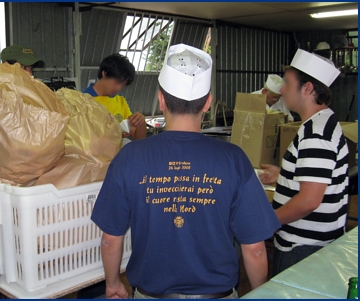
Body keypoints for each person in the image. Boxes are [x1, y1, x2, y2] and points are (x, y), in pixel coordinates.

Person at [90, 44, 281, 299]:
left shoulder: (129, 157)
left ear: (160, 100)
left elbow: (110, 239)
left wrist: (113, 283)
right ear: (208, 102)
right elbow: (255, 248)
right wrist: (259, 294)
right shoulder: (233, 159)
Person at [259, 49, 348, 276]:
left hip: (301, 248)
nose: (282, 89)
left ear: (307, 89)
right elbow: (319, 177)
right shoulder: (320, 122)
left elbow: (309, 200)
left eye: (288, 83)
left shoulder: (315, 134)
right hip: (311, 244)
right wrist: (283, 175)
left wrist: (270, 221)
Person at [83, 53, 146, 140]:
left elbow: (139, 139)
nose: (119, 88)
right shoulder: (82, 100)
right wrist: (114, 135)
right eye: (117, 82)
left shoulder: (120, 100)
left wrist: (141, 122)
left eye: (123, 85)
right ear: (104, 73)